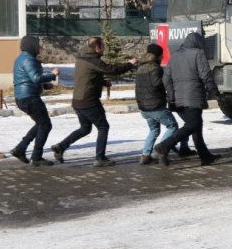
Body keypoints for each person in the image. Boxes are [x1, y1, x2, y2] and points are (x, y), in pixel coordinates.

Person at [51, 36, 137, 166]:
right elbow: (111, 70)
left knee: (85, 128)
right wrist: (130, 64)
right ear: (97, 48)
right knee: (103, 127)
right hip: (88, 101)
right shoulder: (93, 60)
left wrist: (102, 82)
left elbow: (86, 76)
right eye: (103, 47)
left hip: (78, 100)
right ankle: (100, 158)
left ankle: (60, 147)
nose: (104, 49)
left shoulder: (81, 58)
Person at [153, 32, 221, 166]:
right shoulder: (198, 53)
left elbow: (166, 79)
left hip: (178, 97)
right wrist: (214, 91)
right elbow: (206, 75)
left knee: (196, 125)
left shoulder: (174, 55)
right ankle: (164, 146)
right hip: (193, 95)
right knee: (193, 125)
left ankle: (205, 156)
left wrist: (172, 96)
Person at [11, 35, 60, 166]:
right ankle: (36, 157)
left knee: (40, 124)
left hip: (24, 97)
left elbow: (27, 79)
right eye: (38, 45)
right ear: (31, 46)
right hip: (29, 98)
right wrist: (52, 75)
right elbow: (36, 77)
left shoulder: (22, 58)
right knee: (45, 125)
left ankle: (20, 149)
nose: (40, 47)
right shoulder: (28, 59)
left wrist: (44, 86)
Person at [135, 44, 178, 165]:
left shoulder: (140, 67)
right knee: (173, 126)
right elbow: (157, 84)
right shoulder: (155, 68)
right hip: (155, 106)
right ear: (158, 56)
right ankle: (161, 149)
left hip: (143, 107)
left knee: (154, 130)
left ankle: (145, 155)